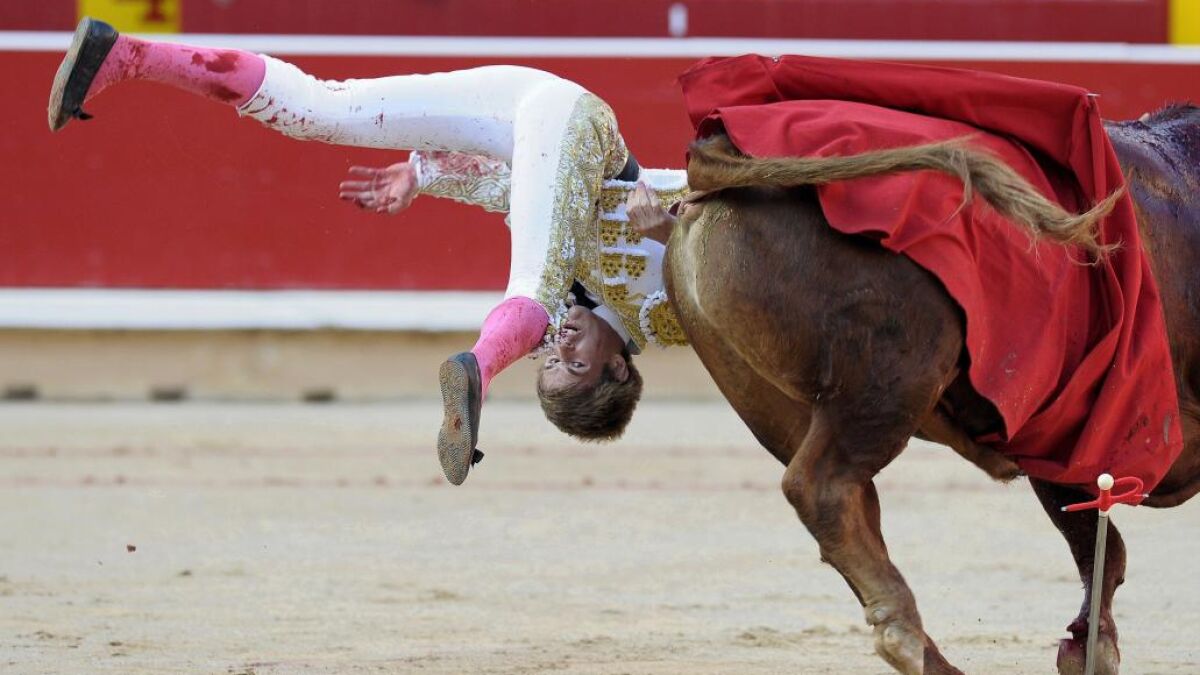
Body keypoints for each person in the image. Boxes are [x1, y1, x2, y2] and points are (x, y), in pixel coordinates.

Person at [49, 17, 692, 485]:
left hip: (523, 109)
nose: (562, 346)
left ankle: (125, 55)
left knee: (319, 110)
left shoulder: (571, 295)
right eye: (575, 364)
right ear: (617, 369)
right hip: (579, 121)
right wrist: (668, 231)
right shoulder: (661, 320)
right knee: (536, 286)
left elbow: (521, 188)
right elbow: (721, 247)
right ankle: (479, 371)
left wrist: (424, 173)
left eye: (550, 362)